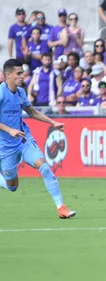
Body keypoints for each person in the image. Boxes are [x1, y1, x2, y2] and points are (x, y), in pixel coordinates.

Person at [0, 59, 76, 219]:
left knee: (44, 167)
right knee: (12, 186)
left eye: (22, 72)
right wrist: (9, 129)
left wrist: (52, 122)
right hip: (5, 147)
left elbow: (32, 112)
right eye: (18, 73)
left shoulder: (20, 92)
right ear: (8, 75)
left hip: (23, 140)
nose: (23, 76)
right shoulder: (1, 93)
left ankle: (61, 207)